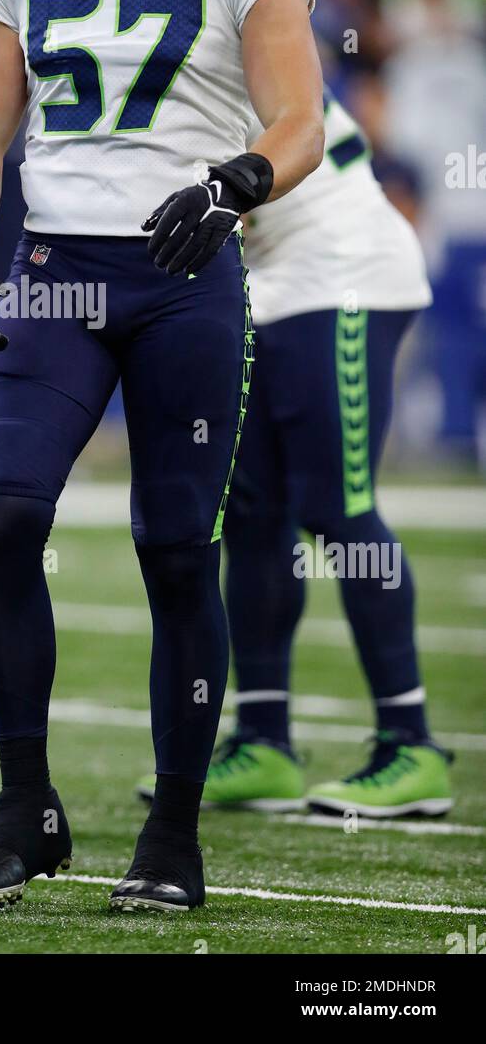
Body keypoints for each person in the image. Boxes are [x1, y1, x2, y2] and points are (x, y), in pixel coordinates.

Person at [0, 0, 325, 912]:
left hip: (182, 274)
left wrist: (237, 179)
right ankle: (24, 803)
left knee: (170, 550)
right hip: (55, 273)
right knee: (0, 518)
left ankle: (175, 831)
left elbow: (297, 118)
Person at [136, 87, 452, 817]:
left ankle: (411, 745)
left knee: (336, 508)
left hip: (341, 271)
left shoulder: (219, 25)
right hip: (269, 278)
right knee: (252, 516)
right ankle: (264, 742)